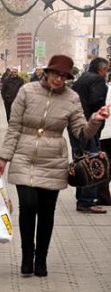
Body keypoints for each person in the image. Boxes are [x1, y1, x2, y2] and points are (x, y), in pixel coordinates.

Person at [0, 55, 109, 278]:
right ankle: (27, 256)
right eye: (56, 74)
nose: (59, 79)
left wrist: (95, 119)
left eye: (64, 76)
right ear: (47, 72)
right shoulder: (27, 91)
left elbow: (81, 132)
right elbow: (14, 127)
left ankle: (41, 260)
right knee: (28, 205)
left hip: (54, 159)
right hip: (24, 156)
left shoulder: (72, 98)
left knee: (46, 211)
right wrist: (3, 160)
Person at [69, 57, 110, 214]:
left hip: (75, 125)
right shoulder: (98, 81)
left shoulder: (83, 78)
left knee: (81, 160)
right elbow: (96, 102)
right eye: (106, 69)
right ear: (101, 69)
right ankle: (86, 201)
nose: (107, 73)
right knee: (92, 162)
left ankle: (81, 197)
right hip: (88, 126)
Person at [98, 82, 111, 206]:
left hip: (105, 133)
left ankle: (104, 197)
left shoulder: (105, 88)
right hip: (106, 131)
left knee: (104, 165)